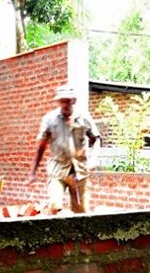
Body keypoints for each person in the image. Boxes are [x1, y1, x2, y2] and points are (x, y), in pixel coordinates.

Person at [28, 85, 101, 214]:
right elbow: (41, 147)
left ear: (73, 101)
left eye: (67, 100)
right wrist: (33, 172)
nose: (65, 104)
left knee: (81, 212)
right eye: (62, 101)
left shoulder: (84, 117)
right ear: (57, 102)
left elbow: (96, 139)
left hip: (80, 172)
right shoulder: (49, 120)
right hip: (58, 170)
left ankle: (79, 234)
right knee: (55, 206)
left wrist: (94, 158)